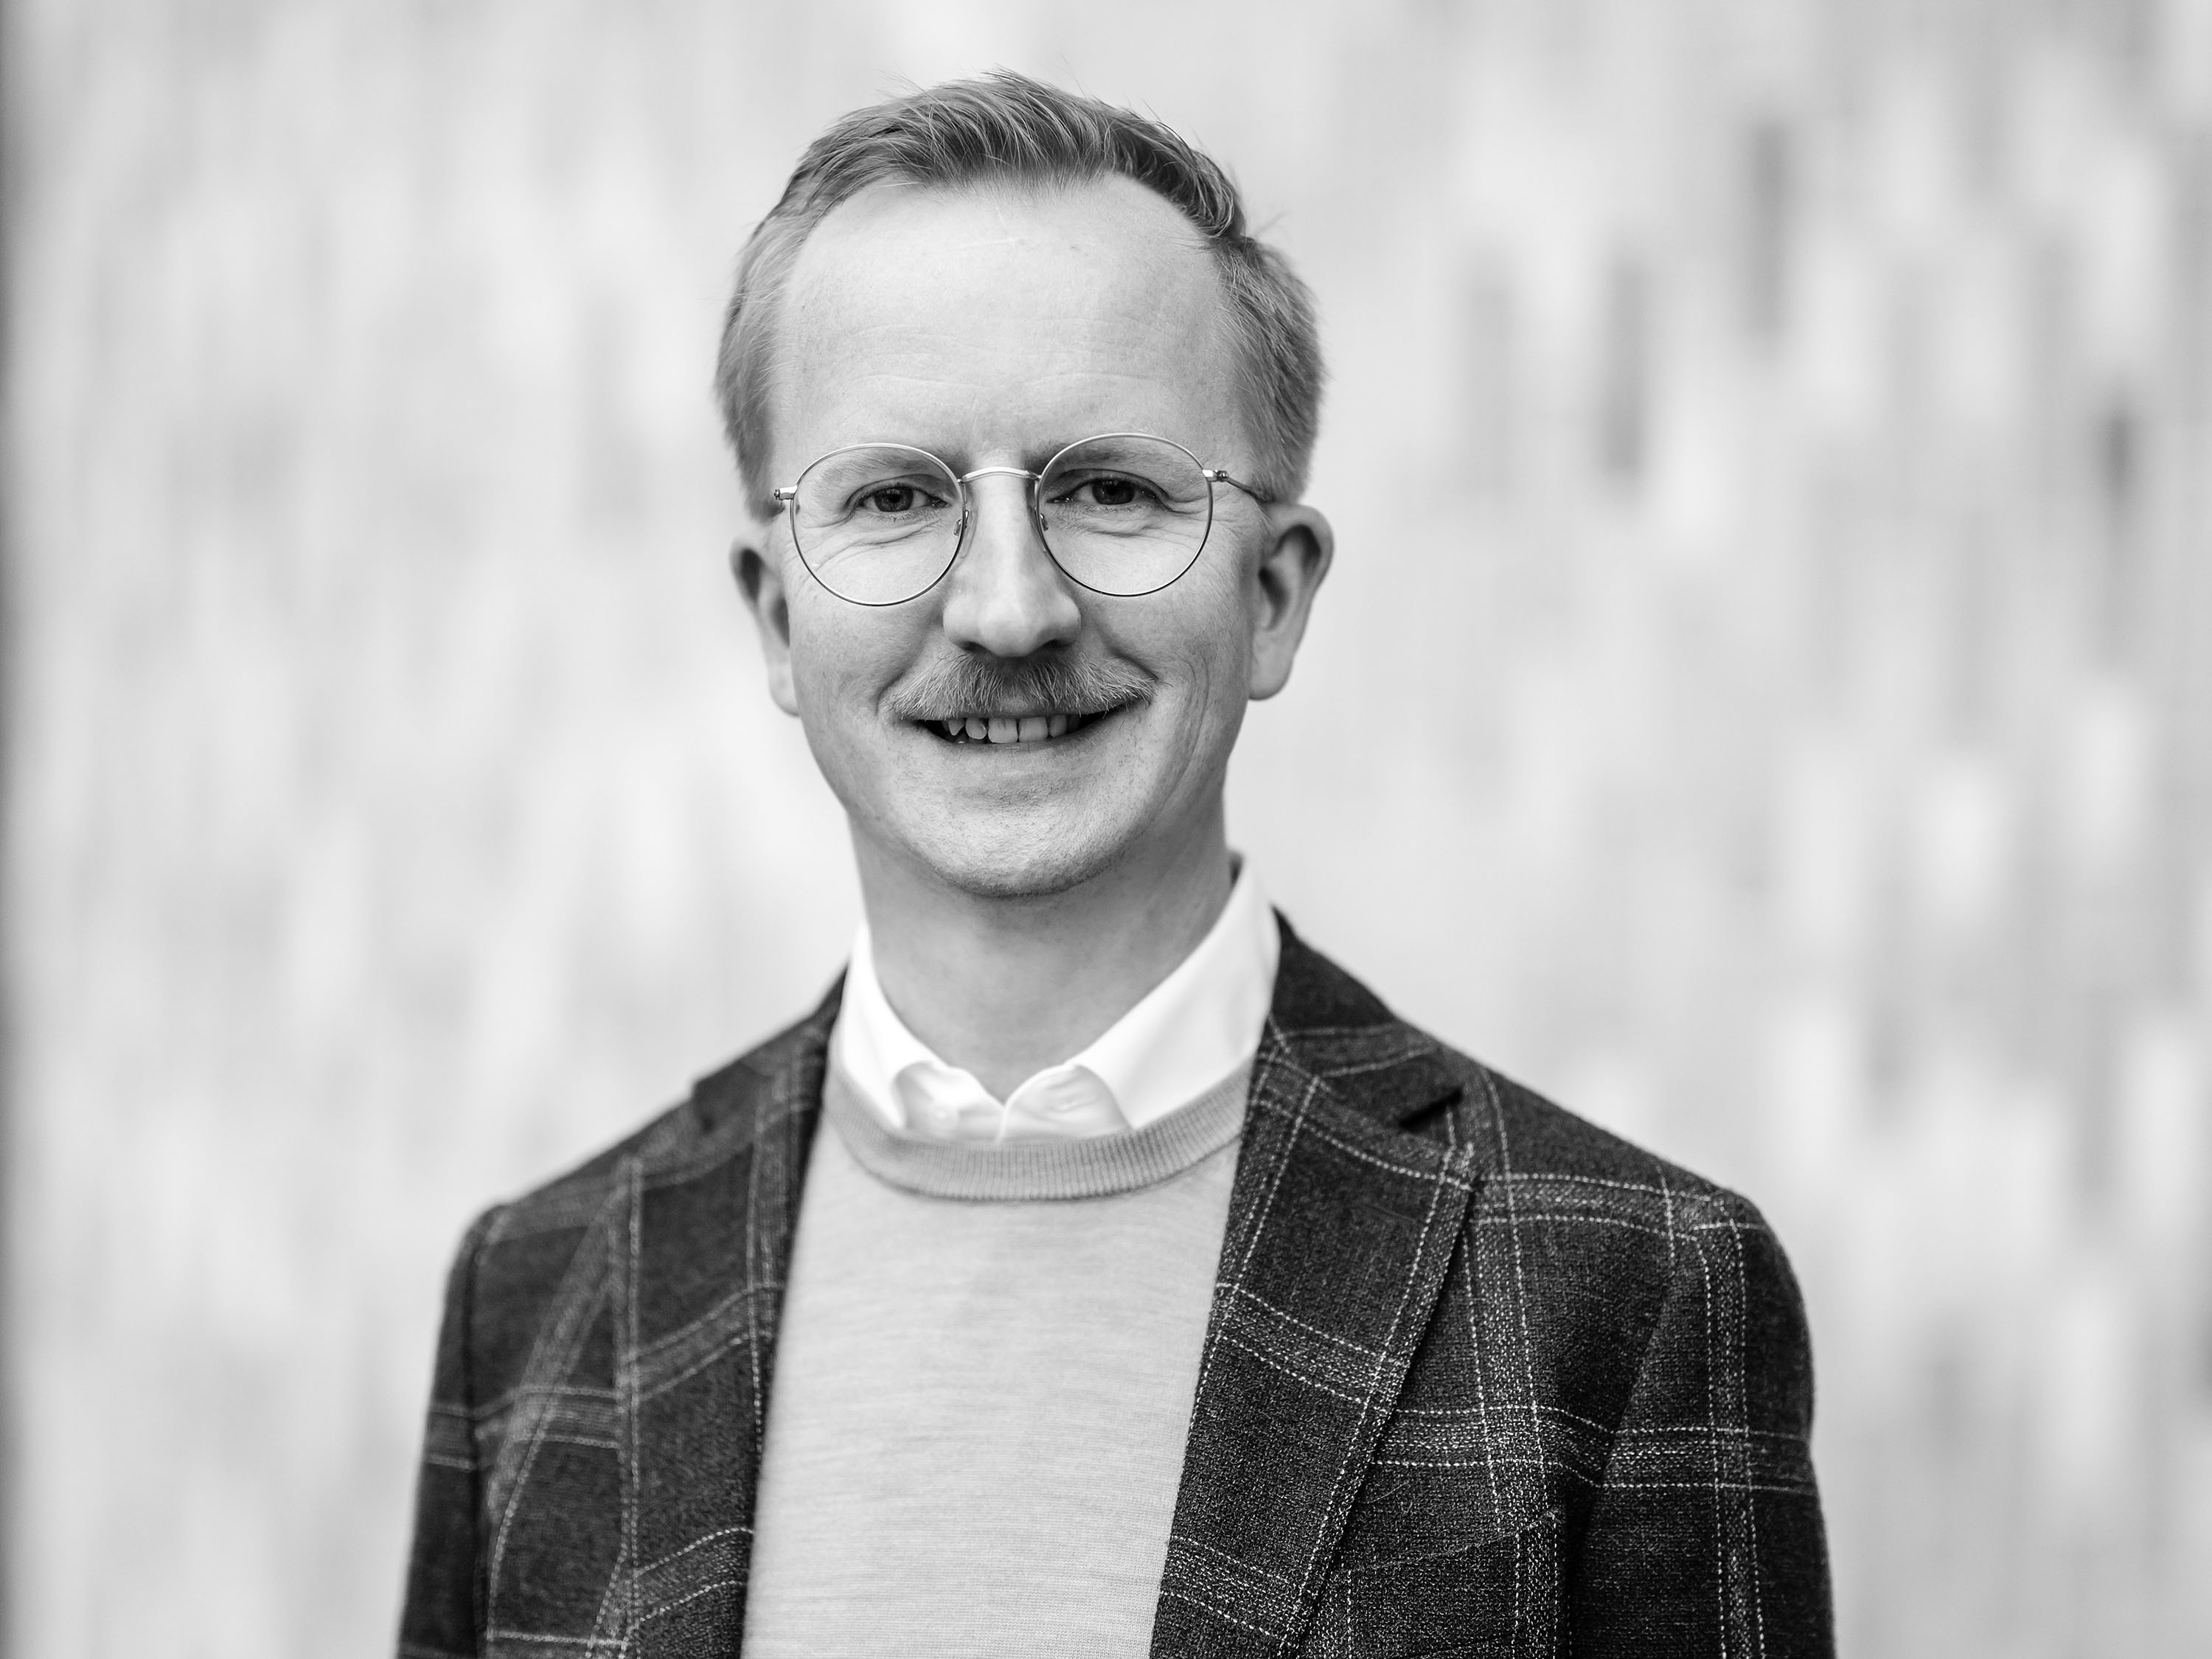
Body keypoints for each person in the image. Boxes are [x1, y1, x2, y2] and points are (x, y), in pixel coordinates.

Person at [397, 72, 1832, 1658]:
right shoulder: (535, 1299)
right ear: (775, 614)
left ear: (1274, 593)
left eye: (1111, 490)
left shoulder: (1630, 1293)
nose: (1008, 610)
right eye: (894, 497)